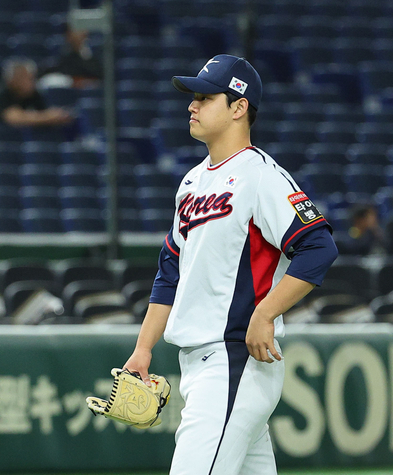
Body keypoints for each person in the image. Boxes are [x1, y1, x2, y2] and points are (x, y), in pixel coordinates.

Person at [122, 55, 338, 475]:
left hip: (234, 360)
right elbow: (170, 271)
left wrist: (266, 312)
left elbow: (318, 246)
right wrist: (143, 348)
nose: (192, 105)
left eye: (205, 97)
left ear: (239, 106)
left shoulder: (262, 175)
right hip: (201, 363)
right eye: (193, 97)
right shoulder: (191, 182)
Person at [0, 57, 74, 127]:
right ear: (11, 79)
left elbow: (44, 111)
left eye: (31, 78)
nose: (30, 82)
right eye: (24, 78)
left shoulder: (34, 95)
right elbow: (12, 117)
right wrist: (46, 118)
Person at [39, 24, 102, 88]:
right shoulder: (60, 60)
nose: (77, 35)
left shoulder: (93, 60)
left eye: (81, 32)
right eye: (74, 31)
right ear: (68, 35)